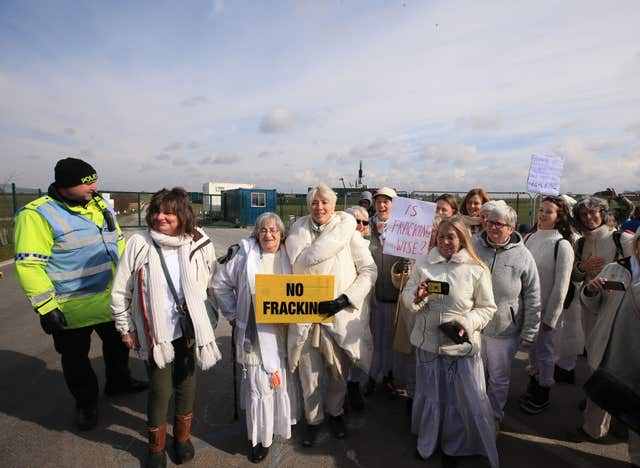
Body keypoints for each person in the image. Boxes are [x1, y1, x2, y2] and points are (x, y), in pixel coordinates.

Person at [14, 157, 147, 432]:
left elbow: (117, 241)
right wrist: (46, 306)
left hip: (110, 300)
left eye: (94, 181)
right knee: (76, 361)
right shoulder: (37, 215)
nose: (94, 187)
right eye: (87, 183)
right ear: (65, 186)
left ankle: (118, 382)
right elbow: (29, 264)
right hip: (70, 306)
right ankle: (86, 403)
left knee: (118, 347)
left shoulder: (98, 203)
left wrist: (130, 283)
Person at [110, 187, 221, 467]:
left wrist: (226, 312)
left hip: (189, 330)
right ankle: (156, 448)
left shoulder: (198, 241)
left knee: (187, 385)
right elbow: (121, 290)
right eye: (157, 211)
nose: (161, 217)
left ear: (182, 215)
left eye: (169, 212)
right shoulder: (139, 243)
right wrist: (125, 328)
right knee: (160, 391)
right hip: (156, 334)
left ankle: (181, 440)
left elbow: (214, 282)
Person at [401, 215, 498, 466]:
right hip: (428, 344)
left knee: (457, 399)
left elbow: (487, 308)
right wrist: (417, 295)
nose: (445, 241)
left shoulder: (476, 269)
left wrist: (465, 323)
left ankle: (453, 446)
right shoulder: (424, 264)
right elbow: (408, 297)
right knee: (430, 394)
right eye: (441, 236)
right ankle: (429, 440)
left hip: (459, 346)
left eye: (451, 237)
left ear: (462, 239)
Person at [285, 183, 377, 446]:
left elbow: (369, 270)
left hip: (338, 315)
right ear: (308, 205)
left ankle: (335, 411)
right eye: (315, 202)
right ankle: (313, 420)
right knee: (308, 373)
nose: (320, 207)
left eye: (325, 202)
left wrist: (346, 298)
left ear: (333, 205)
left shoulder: (347, 231)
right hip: (305, 315)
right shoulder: (297, 230)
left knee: (338, 372)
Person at [213, 212, 298, 463]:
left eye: (273, 230)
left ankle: (278, 426)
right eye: (263, 230)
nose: (268, 234)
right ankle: (261, 439)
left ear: (282, 234)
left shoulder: (290, 255)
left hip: (283, 331)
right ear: (256, 233)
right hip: (255, 332)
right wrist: (231, 314)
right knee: (259, 386)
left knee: (280, 381)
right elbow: (219, 283)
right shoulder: (244, 255)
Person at [472, 204, 541, 428]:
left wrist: (530, 330)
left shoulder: (523, 256)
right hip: (474, 325)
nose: (492, 227)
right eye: (489, 222)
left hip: (503, 330)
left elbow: (532, 294)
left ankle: (493, 418)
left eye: (498, 224)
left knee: (498, 377)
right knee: (474, 374)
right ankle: (474, 414)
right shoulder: (473, 246)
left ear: (511, 228)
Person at [571, 195, 633, 440]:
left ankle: (608, 417)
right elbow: (576, 277)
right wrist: (582, 269)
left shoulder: (623, 239)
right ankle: (598, 402)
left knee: (613, 361)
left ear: (604, 213)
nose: (589, 217)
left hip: (618, 309)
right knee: (594, 356)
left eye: (593, 212)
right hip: (589, 303)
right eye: (584, 214)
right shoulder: (580, 244)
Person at [581, 230, 640, 465]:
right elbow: (591, 304)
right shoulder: (615, 268)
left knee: (635, 405)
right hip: (607, 341)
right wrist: (592, 290)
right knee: (599, 393)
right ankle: (592, 430)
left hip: (634, 352)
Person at [519, 196, 574, 415]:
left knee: (546, 353)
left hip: (546, 311)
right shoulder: (531, 238)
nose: (542, 214)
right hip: (529, 308)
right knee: (532, 351)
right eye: (541, 210)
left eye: (548, 211)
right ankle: (533, 385)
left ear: (559, 217)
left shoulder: (563, 245)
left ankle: (543, 392)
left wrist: (551, 318)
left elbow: (561, 286)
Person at [368, 187, 407, 397]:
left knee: (392, 342)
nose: (382, 205)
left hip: (394, 297)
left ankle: (390, 377)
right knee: (374, 340)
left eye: (387, 201)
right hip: (373, 296)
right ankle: (373, 376)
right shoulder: (367, 227)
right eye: (379, 201)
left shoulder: (404, 230)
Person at [343, 205, 374, 410]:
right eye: (356, 222)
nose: (361, 226)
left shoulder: (370, 245)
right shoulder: (340, 245)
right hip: (343, 301)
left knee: (360, 346)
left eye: (365, 222)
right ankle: (341, 388)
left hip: (365, 303)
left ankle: (355, 385)